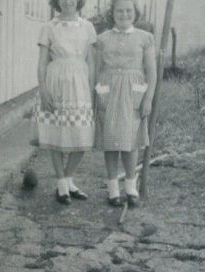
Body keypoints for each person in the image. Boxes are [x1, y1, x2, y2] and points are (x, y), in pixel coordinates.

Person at [94, 0, 157, 207]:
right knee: (111, 143)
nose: (124, 14)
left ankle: (131, 188)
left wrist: (148, 98)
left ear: (135, 13)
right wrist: (98, 93)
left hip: (133, 95)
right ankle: (113, 191)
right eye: (119, 10)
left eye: (128, 10)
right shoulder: (102, 39)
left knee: (131, 144)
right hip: (109, 93)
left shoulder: (144, 38)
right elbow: (96, 70)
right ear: (112, 13)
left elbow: (151, 72)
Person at [34, 0, 97, 204]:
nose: (68, 2)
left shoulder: (87, 27)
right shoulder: (49, 27)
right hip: (56, 82)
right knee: (56, 134)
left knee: (82, 135)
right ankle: (61, 184)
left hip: (80, 84)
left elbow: (92, 63)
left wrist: (92, 90)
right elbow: (42, 62)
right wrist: (43, 89)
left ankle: (69, 179)